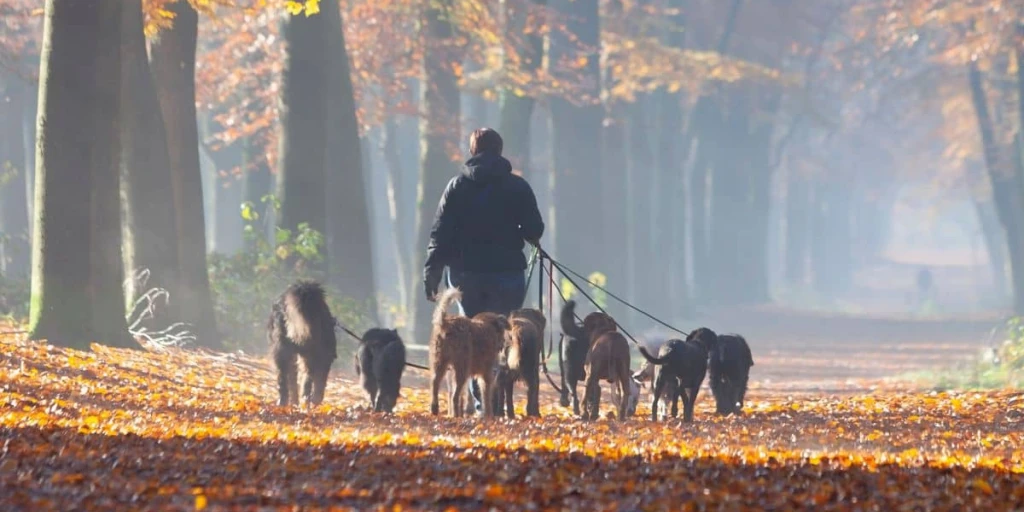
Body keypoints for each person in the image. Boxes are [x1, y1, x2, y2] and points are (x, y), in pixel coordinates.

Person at [423, 127, 544, 412]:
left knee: (473, 340)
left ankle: (484, 405)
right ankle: (497, 400)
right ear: (500, 151)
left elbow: (439, 234)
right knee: (501, 338)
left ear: (473, 150)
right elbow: (534, 230)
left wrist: (432, 272)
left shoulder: (457, 186)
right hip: (507, 274)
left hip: (467, 275)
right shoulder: (517, 187)